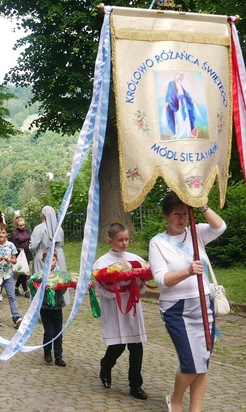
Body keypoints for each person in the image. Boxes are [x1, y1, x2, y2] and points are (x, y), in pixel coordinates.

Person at [148, 192, 225, 412]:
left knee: (203, 359)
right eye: (176, 214)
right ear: (166, 215)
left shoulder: (196, 232)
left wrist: (202, 206)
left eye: (185, 213)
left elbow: (220, 227)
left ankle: (196, 409)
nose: (181, 219)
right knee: (191, 362)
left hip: (204, 302)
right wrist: (188, 271)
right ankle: (175, 399)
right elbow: (162, 280)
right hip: (176, 309)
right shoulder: (157, 243)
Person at [93, 223, 148, 399]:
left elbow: (143, 284)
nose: (124, 243)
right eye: (120, 240)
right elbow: (100, 288)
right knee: (117, 347)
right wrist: (117, 285)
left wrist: (136, 280)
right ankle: (106, 365)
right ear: (110, 240)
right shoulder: (102, 262)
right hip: (114, 307)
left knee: (136, 347)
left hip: (131, 307)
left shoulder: (135, 259)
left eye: (126, 239)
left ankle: (135, 385)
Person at [36, 249, 67, 367]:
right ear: (43, 260)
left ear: (57, 260)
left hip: (57, 307)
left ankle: (58, 356)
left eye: (53, 260)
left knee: (58, 333)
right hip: (45, 308)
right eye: (47, 260)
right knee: (49, 332)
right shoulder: (40, 275)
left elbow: (64, 290)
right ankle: (47, 352)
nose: (50, 262)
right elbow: (36, 291)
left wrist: (60, 286)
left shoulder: (61, 274)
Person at [0, 223, 21, 328]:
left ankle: (16, 317)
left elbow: (15, 261)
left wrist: (9, 260)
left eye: (3, 232)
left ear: (6, 233)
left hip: (8, 275)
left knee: (12, 296)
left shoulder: (11, 245)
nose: (1, 234)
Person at [30, 206, 67, 275]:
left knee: (42, 280)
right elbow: (61, 244)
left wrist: (36, 251)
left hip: (43, 257)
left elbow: (33, 246)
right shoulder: (59, 228)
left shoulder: (39, 228)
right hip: (58, 256)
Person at [164, 72, 197, 140]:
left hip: (184, 103)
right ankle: (179, 134)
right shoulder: (172, 83)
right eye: (180, 76)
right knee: (179, 118)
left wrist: (191, 100)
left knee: (186, 118)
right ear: (177, 76)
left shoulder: (180, 84)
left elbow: (185, 93)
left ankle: (187, 133)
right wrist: (167, 101)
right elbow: (169, 93)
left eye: (182, 77)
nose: (181, 78)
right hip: (177, 103)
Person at [10, 214, 31, 298]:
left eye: (23, 225)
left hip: (27, 252)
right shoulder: (15, 233)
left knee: (24, 271)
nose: (22, 226)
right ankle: (26, 291)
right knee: (23, 272)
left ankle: (16, 287)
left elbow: (28, 238)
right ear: (17, 225)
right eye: (20, 225)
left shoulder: (26, 230)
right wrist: (18, 249)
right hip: (20, 254)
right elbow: (13, 245)